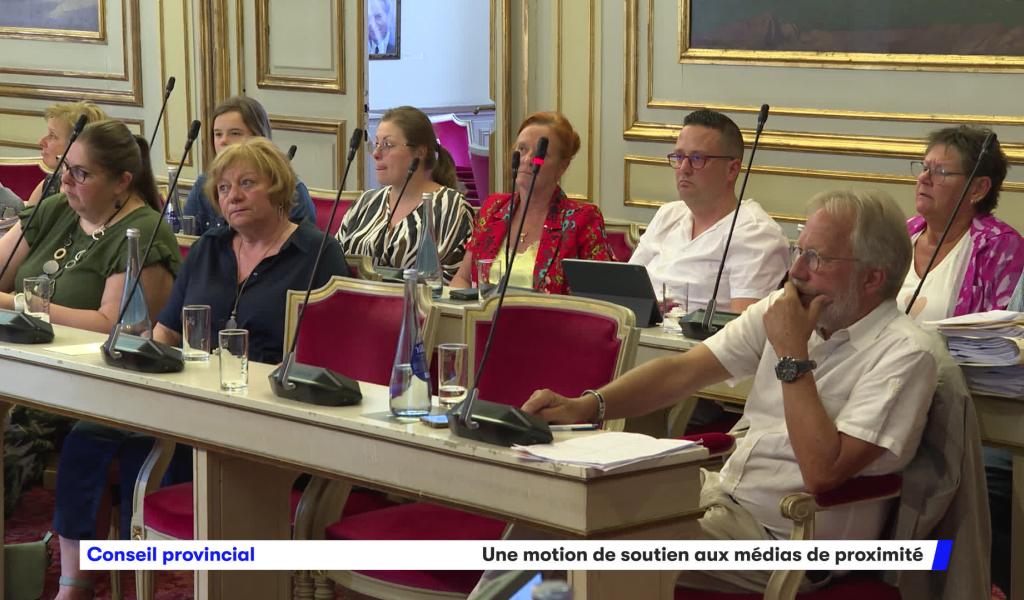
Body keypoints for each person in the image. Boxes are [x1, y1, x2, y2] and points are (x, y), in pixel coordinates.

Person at [523, 190, 960, 594]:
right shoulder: (789, 311)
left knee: (582, 550)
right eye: (799, 251)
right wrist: (588, 405)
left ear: (872, 278)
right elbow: (683, 372)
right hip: (720, 502)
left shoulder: (906, 354)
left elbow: (823, 473)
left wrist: (791, 354)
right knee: (551, 514)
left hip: (789, 541)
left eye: (817, 258)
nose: (796, 272)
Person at [51, 137, 348, 599]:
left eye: (247, 183)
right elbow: (165, 334)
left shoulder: (317, 253)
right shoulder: (210, 248)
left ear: (278, 188)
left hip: (272, 414)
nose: (233, 196)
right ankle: (80, 581)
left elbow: (330, 357)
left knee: (161, 454)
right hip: (193, 403)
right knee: (92, 434)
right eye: (224, 188)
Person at [0, 120, 180, 600]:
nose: (65, 181)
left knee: (14, 437)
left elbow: (111, 325)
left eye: (81, 174)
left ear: (122, 182)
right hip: (23, 370)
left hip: (90, 386)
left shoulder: (144, 231)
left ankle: (71, 582)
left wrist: (19, 305)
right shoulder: (56, 208)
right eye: (65, 169)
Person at [629, 108, 789, 312]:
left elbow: (744, 328)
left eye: (697, 158)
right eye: (679, 156)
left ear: (732, 169)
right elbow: (624, 290)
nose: (683, 168)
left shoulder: (756, 234)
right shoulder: (668, 214)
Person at [451, 111, 614, 294]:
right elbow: (463, 278)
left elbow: (601, 297)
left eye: (539, 154)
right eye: (522, 149)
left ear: (563, 166)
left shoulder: (582, 220)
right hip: (484, 312)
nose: (527, 159)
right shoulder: (493, 208)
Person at [899, 125, 1024, 321]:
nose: (924, 178)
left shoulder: (1001, 248)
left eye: (941, 171)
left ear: (978, 189)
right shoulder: (902, 233)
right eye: (925, 168)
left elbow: (1001, 334)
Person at [337, 106, 472, 280]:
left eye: (387, 145)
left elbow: (453, 283)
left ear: (420, 152)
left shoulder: (452, 207)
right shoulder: (366, 202)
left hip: (417, 298)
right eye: (376, 144)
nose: (376, 154)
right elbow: (334, 263)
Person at [183, 95, 316, 235]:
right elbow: (187, 238)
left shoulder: (292, 191)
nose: (223, 141)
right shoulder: (204, 184)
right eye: (218, 134)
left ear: (258, 137)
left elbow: (303, 243)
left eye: (234, 133)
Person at [26, 101, 109, 206]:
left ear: (79, 143)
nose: (40, 142)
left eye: (53, 135)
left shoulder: (99, 195)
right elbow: (26, 217)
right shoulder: (49, 185)